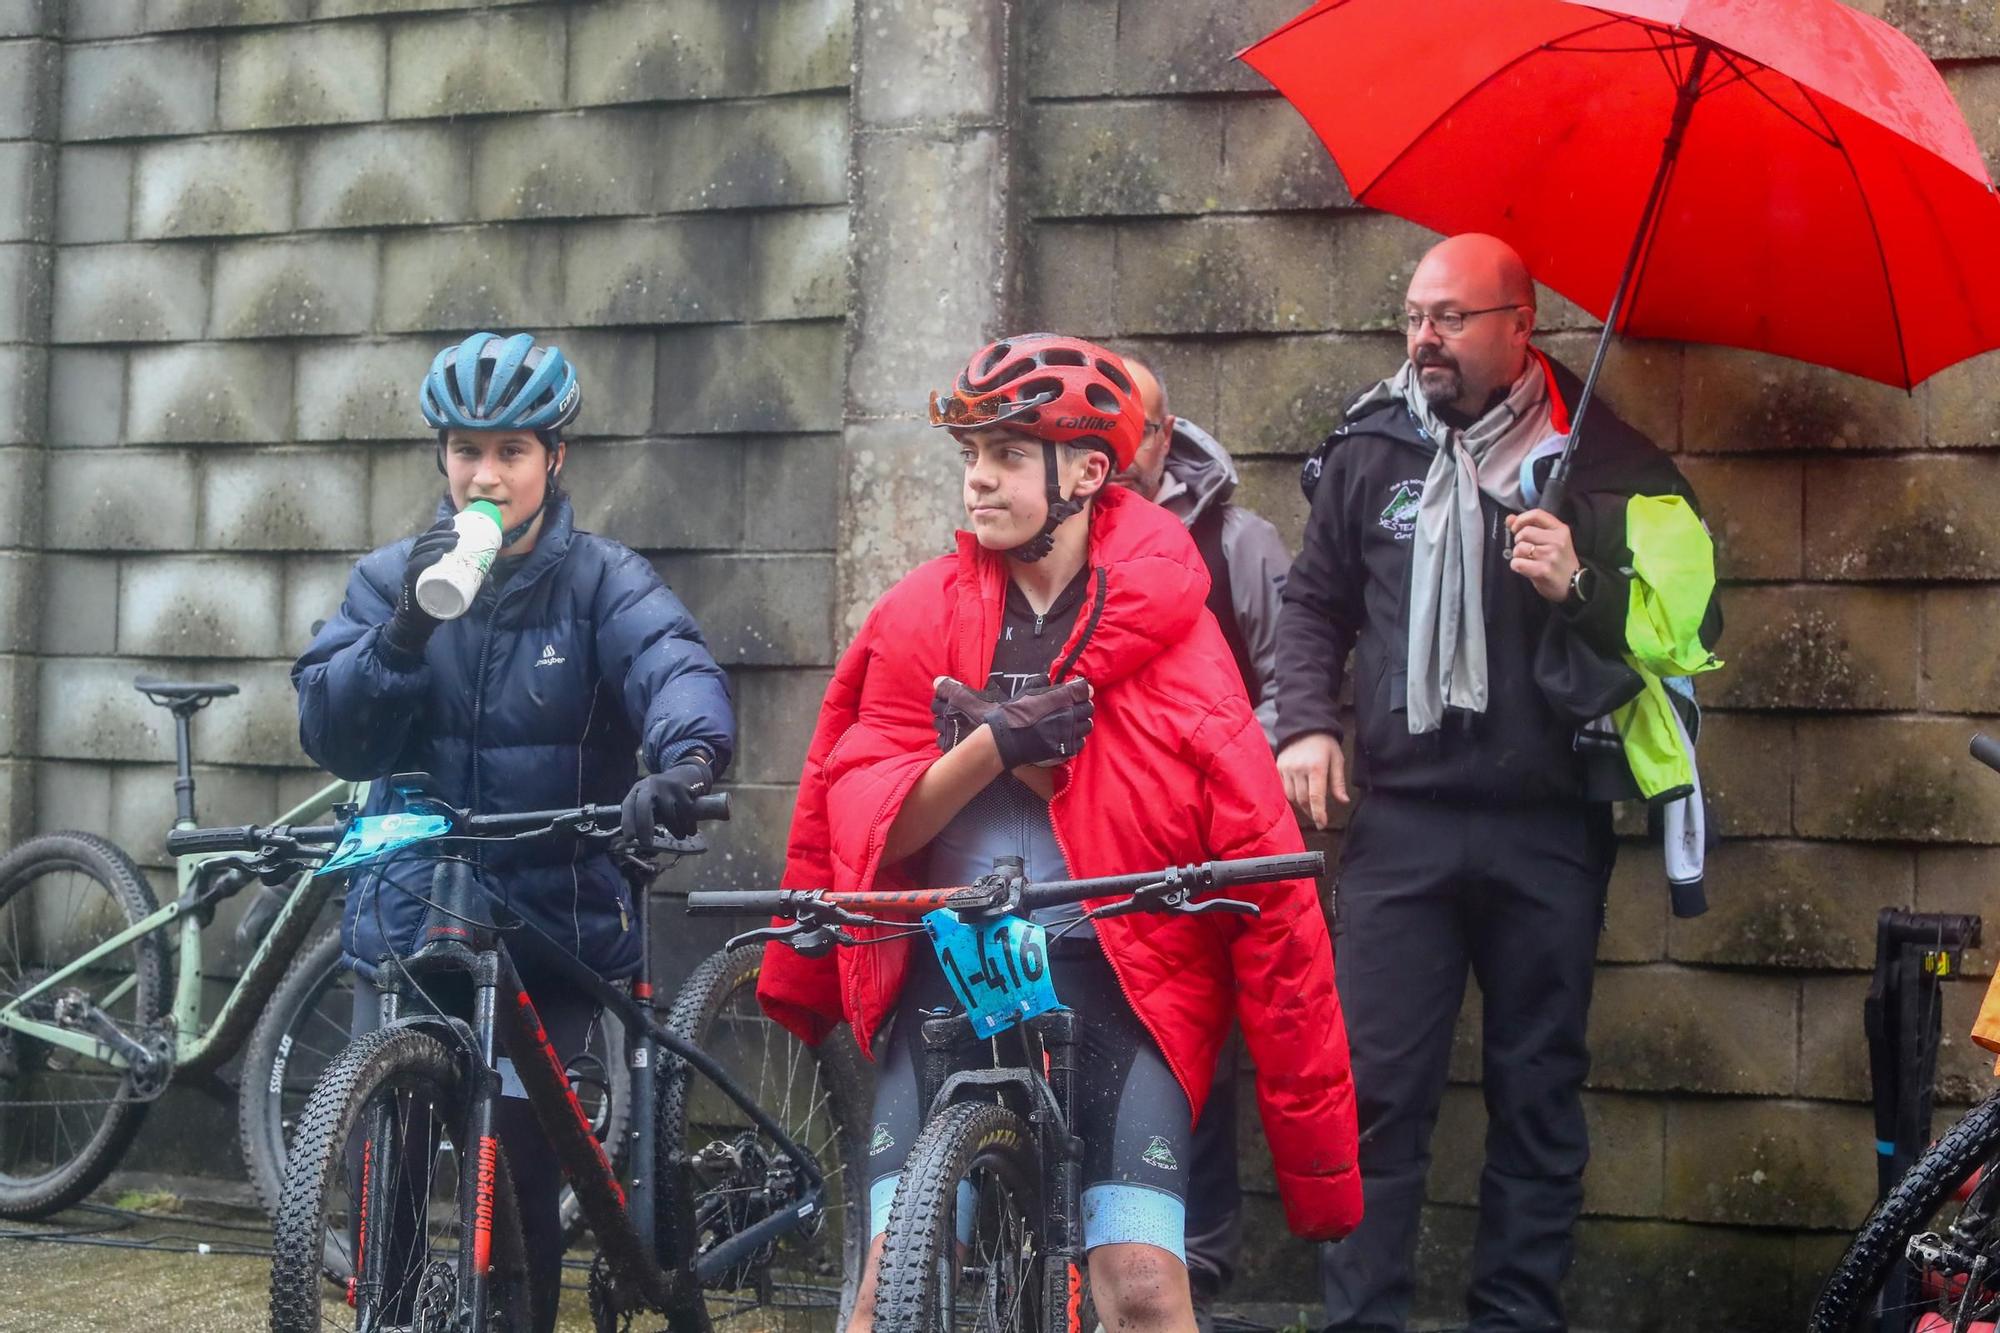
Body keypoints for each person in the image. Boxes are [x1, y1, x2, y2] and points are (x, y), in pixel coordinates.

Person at [756, 333, 1362, 1333]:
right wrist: (992, 746)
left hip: (1118, 978)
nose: (977, 480)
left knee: (1140, 1287)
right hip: (947, 964)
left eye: (1004, 454)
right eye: (969, 457)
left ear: (1085, 471)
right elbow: (863, 822)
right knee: (880, 1285)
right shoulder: (915, 616)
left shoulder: (1176, 633)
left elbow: (1266, 878)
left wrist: (1318, 1147)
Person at [1277, 234, 1720, 1333]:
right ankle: (1359, 1320)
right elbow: (1310, 605)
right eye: (1413, 315)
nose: (1424, 338)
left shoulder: (1602, 461)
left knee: (1536, 1100)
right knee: (1373, 1100)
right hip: (1399, 828)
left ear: (1519, 326)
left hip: (1547, 829)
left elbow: (1688, 633)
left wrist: (1579, 582)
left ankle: (1515, 1319)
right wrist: (1304, 726)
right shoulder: (1369, 446)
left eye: (1451, 318)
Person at [293, 331, 736, 1333]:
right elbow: (330, 727)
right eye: (465, 452)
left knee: (519, 1186)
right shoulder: (388, 577)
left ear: (554, 459)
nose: (484, 475)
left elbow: (673, 667)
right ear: (442, 459)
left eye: (511, 453)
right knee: (385, 1179)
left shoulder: (600, 581)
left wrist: (683, 762)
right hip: (412, 910)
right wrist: (402, 633)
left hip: (551, 920)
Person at [1117, 354, 1294, 1326]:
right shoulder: (1049, 541)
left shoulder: (1238, 542)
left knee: (1200, 1055)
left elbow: (1292, 678)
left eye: (1132, 429)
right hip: (1085, 848)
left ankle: (1201, 1260)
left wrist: (1221, 773)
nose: (1112, 450)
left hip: (1199, 855)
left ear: (1165, 432)